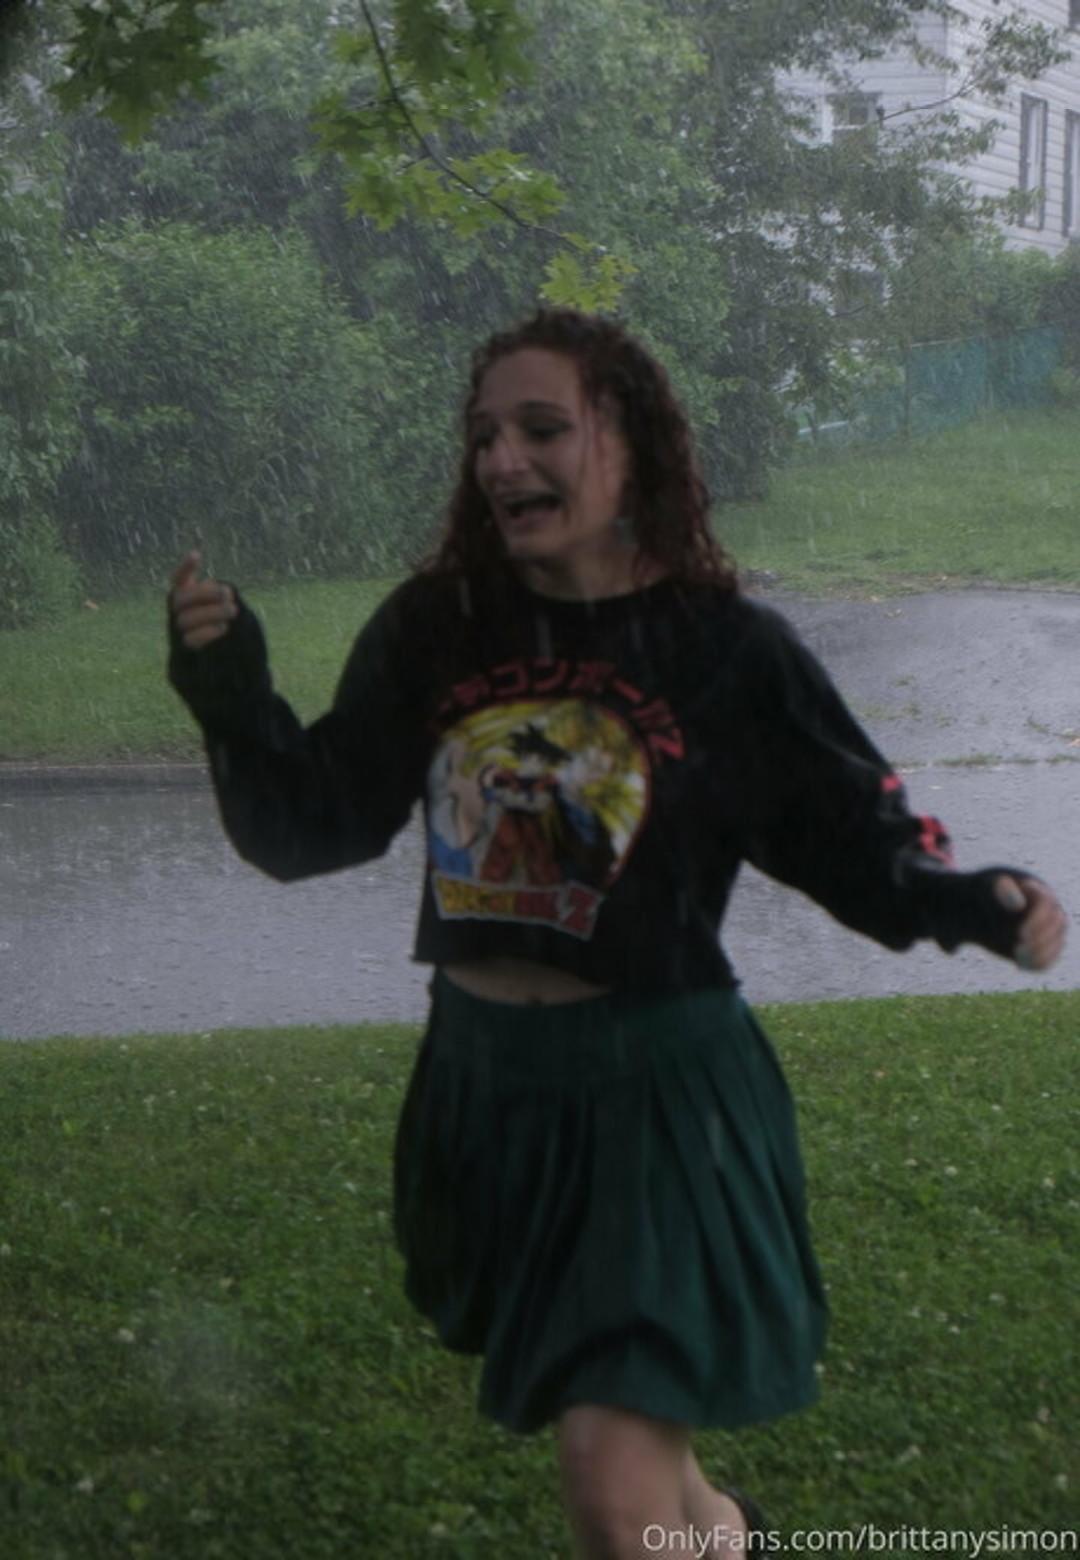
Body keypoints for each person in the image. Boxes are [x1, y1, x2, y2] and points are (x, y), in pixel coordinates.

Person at [167, 308, 1067, 1560]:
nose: (503, 461)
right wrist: (231, 697)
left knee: (609, 1481)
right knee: (644, 1467)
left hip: (657, 1101)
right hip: (487, 1093)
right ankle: (734, 1539)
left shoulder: (724, 650)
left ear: (630, 444)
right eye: (485, 435)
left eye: (542, 429)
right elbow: (311, 824)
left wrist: (972, 901)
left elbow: (852, 837)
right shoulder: (438, 625)